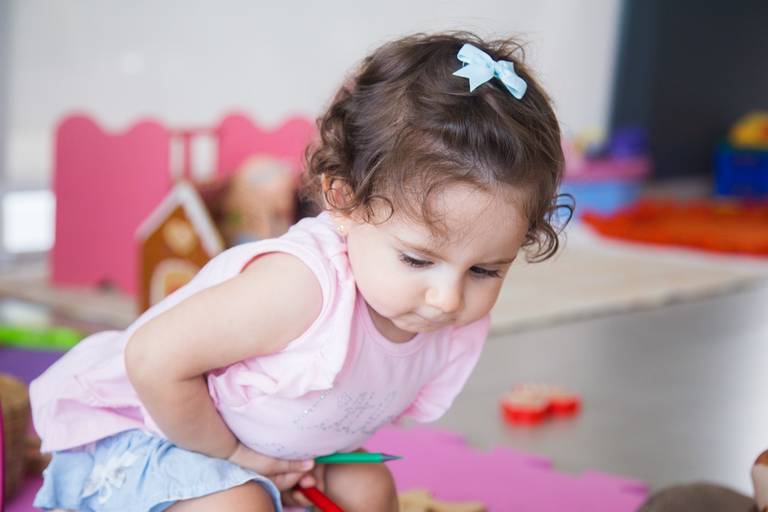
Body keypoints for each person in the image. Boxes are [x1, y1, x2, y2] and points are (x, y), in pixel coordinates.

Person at [29, 32, 570, 511]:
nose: (449, 299)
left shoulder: (435, 310)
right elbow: (151, 360)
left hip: (285, 450)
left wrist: (277, 457)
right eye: (416, 259)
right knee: (238, 506)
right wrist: (237, 455)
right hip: (162, 432)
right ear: (344, 200)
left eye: (484, 271)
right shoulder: (299, 290)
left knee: (368, 487)